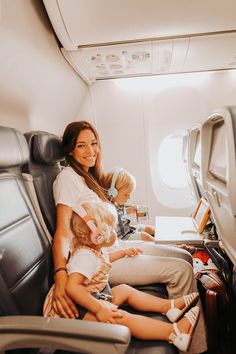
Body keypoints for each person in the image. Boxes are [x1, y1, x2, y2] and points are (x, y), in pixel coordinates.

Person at [52, 120, 207, 353]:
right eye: (81, 146)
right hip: (97, 261)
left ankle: (175, 313)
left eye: (93, 144)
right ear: (70, 150)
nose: (91, 151)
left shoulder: (89, 177)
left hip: (112, 248)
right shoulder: (67, 178)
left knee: (184, 256)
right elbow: (63, 231)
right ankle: (194, 347)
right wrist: (61, 275)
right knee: (181, 270)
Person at [44, 201, 200, 352]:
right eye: (111, 228)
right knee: (119, 317)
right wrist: (99, 309)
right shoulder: (85, 257)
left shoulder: (94, 251)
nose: (114, 231)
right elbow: (72, 287)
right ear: (97, 236)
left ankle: (169, 307)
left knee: (124, 290)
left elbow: (103, 260)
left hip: (89, 299)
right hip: (71, 314)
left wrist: (123, 252)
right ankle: (175, 333)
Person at [103, 167, 155, 241]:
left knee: (149, 228)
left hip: (129, 229)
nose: (129, 197)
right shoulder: (108, 207)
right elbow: (114, 217)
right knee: (145, 236)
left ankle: (166, 238)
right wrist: (128, 211)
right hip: (123, 236)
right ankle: (164, 245)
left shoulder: (119, 204)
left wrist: (130, 210)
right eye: (126, 194)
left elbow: (122, 214)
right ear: (113, 192)